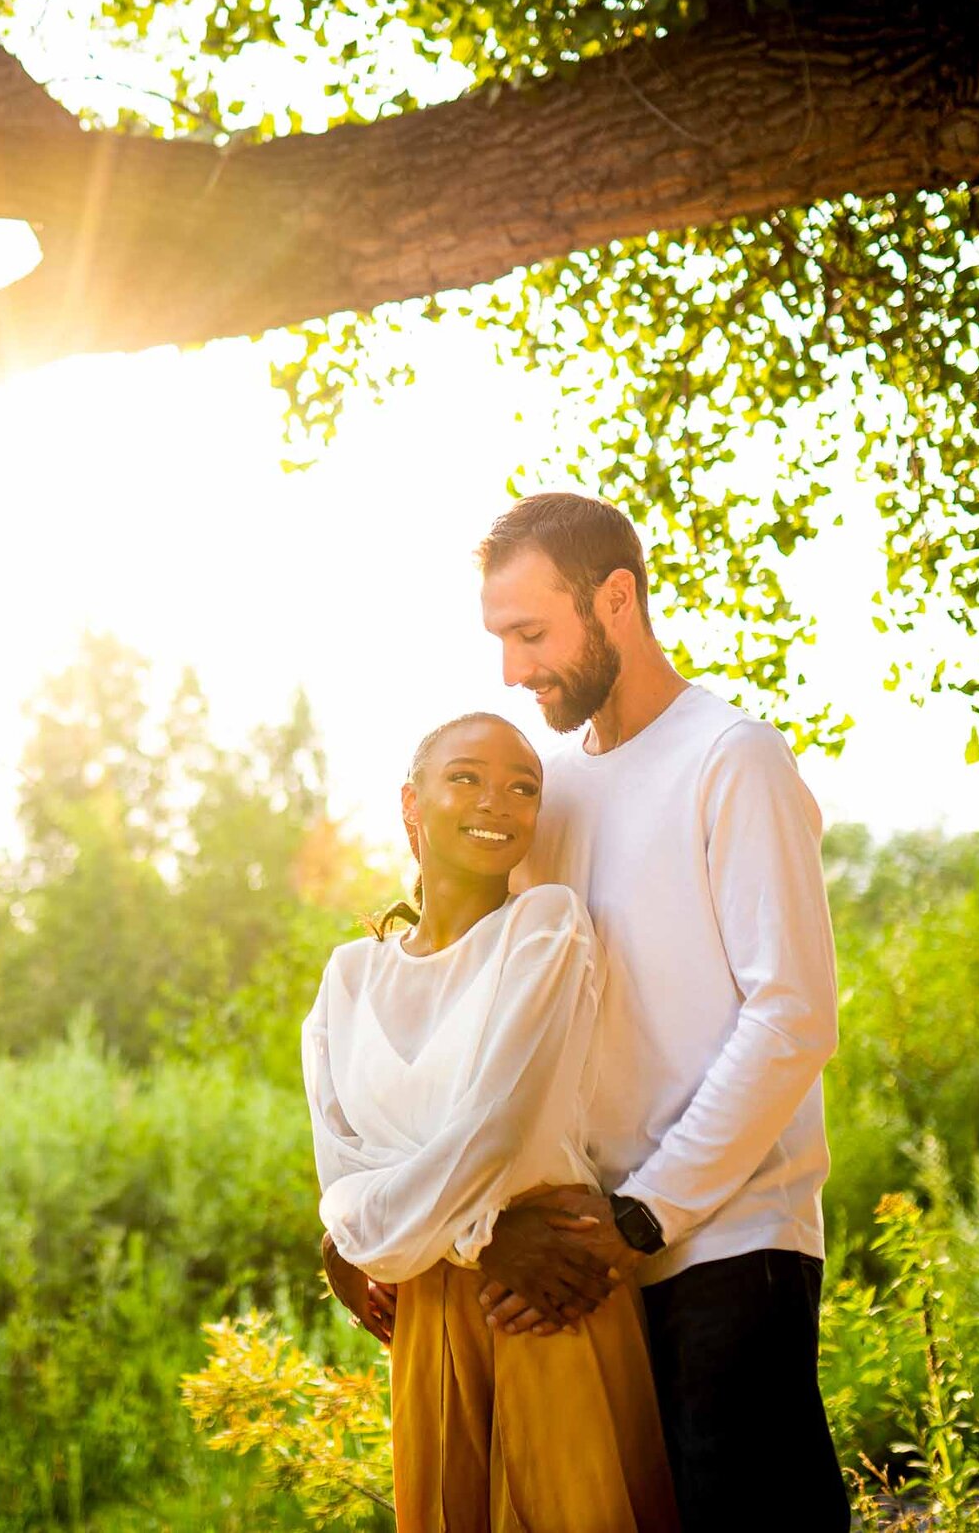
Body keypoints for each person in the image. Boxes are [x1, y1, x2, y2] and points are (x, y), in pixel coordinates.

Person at [471, 490, 850, 1530]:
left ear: (617, 600)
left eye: (531, 632)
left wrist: (643, 1214)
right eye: (499, 638)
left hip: (731, 1249)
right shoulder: (545, 797)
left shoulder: (733, 757)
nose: (512, 669)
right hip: (596, 1270)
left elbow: (793, 1017)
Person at [302, 712, 680, 1533]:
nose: (498, 802)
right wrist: (373, 1236)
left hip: (546, 1287)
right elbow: (341, 1171)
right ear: (412, 802)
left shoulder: (546, 925)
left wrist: (387, 1237)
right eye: (467, 777)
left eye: (523, 787)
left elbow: (497, 1129)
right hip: (427, 1323)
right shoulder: (349, 977)